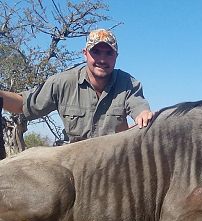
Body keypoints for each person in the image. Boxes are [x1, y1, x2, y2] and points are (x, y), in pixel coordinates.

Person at [0, 29, 153, 143]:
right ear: (85, 53)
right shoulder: (62, 82)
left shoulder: (128, 83)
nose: (102, 59)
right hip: (72, 162)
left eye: (108, 53)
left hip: (113, 163)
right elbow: (22, 104)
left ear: (116, 57)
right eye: (96, 52)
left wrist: (144, 115)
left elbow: (140, 109)